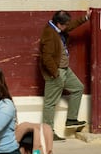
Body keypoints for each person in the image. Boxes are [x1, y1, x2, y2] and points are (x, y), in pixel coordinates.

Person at [39, 9, 92, 141]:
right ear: (59, 24)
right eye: (65, 25)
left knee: (78, 87)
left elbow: (71, 25)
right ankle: (48, 133)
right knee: (50, 103)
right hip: (55, 72)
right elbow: (46, 58)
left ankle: (71, 119)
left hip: (64, 69)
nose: (68, 27)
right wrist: (55, 74)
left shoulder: (58, 28)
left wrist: (85, 18)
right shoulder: (49, 34)